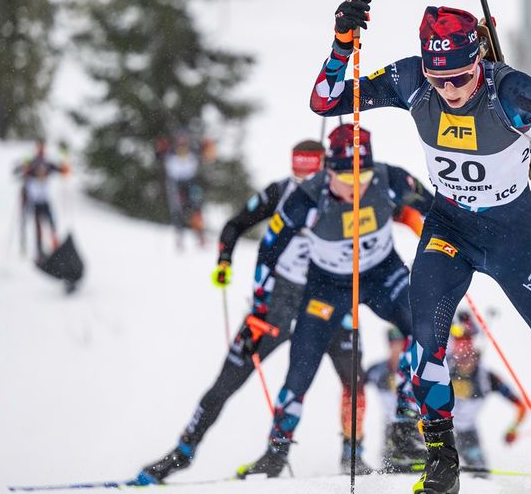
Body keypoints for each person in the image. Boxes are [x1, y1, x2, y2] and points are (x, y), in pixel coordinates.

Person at [310, 0, 531, 494]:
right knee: (426, 344)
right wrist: (341, 44)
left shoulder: (512, 90)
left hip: (514, 239)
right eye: (440, 81)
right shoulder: (412, 80)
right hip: (450, 230)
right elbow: (327, 102)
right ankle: (442, 464)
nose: (451, 90)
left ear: (479, 57)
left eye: (460, 76)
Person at [135, 140, 383, 483]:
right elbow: (235, 224)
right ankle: (183, 452)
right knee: (229, 378)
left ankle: (346, 454)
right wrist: (224, 260)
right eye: (298, 175)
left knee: (353, 376)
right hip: (278, 299)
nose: (303, 186)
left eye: (310, 177)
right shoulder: (280, 192)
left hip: (329, 297)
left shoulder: (348, 196)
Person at [237, 125, 432, 479]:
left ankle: (405, 430)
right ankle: (275, 454)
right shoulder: (307, 198)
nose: (356, 186)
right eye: (345, 178)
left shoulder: (390, 178)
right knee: (300, 369)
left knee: (425, 326)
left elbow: (435, 210)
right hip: (327, 287)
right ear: (328, 171)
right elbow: (268, 250)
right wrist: (259, 308)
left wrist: (447, 250)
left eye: (364, 176)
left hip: (380, 273)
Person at [445, 312, 527, 475]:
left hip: (467, 434)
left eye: (467, 343)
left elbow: (521, 406)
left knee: (481, 475)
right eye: (458, 343)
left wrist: (513, 429)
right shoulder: (441, 369)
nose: (462, 349)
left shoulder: (487, 378)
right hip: (440, 431)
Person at [364, 326, 415, 466]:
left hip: (416, 422)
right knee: (391, 462)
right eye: (394, 344)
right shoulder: (377, 370)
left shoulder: (415, 369)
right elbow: (356, 383)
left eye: (401, 344)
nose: (397, 349)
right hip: (391, 424)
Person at [14, 140, 68, 260]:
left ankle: (55, 246)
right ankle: (38, 251)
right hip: (33, 201)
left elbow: (62, 170)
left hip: (44, 200)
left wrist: (64, 166)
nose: (42, 172)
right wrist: (23, 170)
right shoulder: (31, 163)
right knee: (37, 225)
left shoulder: (48, 164)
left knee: (51, 223)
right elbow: (17, 171)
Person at [159, 133, 209, 250]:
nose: (182, 145)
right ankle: (179, 238)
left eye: (184, 142)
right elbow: (159, 156)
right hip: (175, 184)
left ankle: (200, 237)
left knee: (196, 209)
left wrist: (206, 146)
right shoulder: (170, 152)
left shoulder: (193, 151)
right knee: (178, 211)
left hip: (190, 183)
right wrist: (160, 148)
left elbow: (205, 154)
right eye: (180, 142)